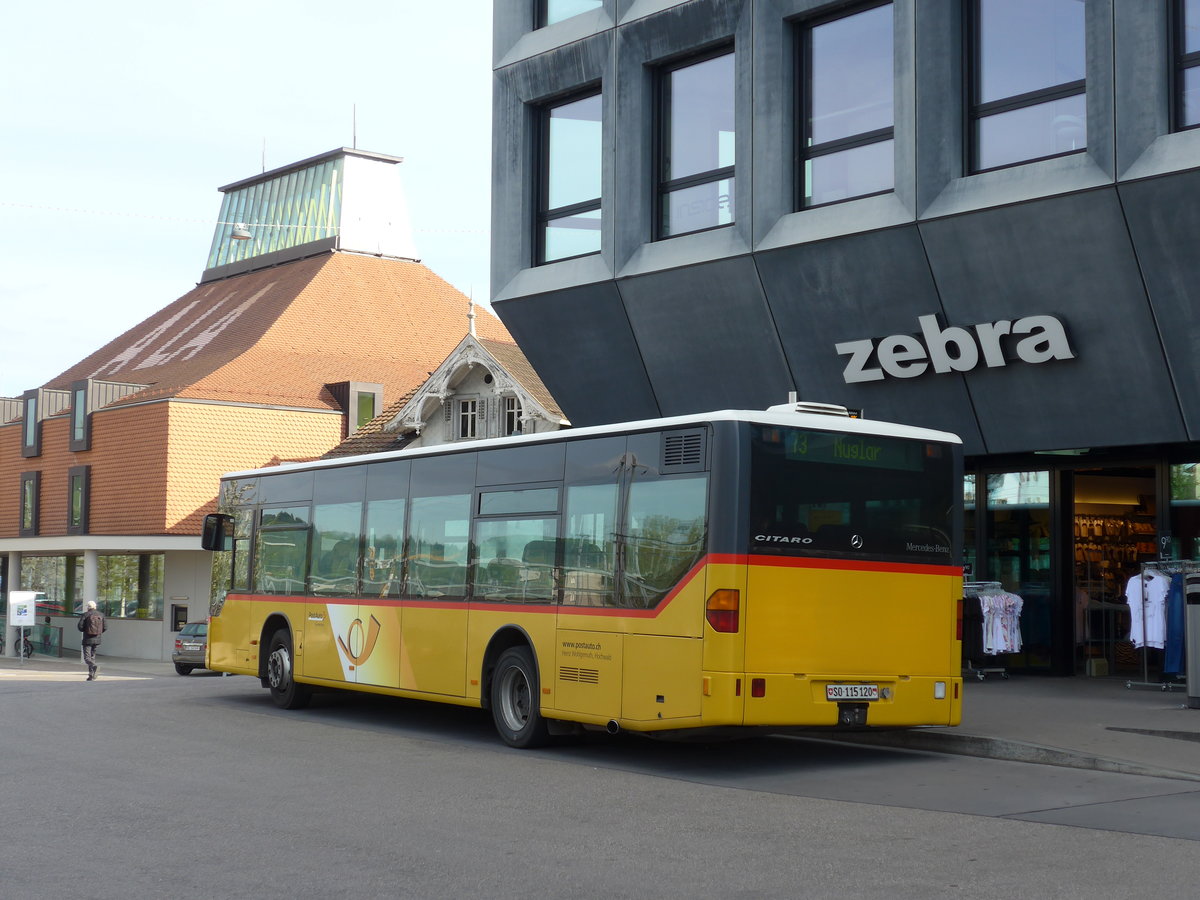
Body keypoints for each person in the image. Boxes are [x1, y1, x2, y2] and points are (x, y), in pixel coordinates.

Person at [77, 601, 106, 681]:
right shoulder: (101, 615)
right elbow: (105, 627)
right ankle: (91, 675)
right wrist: (97, 633)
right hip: (97, 639)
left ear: (88, 607)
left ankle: (94, 667)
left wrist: (86, 631)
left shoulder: (85, 615)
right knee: (92, 657)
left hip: (87, 639)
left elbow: (80, 627)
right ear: (95, 606)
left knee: (87, 658)